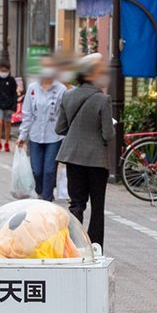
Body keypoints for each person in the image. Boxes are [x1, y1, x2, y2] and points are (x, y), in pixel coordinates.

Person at [55, 53, 114, 248]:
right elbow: (108, 133)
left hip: (72, 156)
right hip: (97, 160)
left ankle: (73, 245)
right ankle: (95, 247)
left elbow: (60, 128)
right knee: (97, 207)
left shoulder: (68, 95)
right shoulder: (103, 100)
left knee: (76, 204)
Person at [17, 57, 67, 201]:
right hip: (35, 135)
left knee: (50, 170)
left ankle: (47, 198)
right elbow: (27, 113)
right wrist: (22, 135)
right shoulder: (33, 88)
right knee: (36, 171)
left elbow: (64, 114)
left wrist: (64, 135)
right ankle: (40, 191)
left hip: (54, 136)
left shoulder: (61, 89)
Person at [0, 60, 18, 152]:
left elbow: (14, 93)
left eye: (5, 70)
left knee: (7, 123)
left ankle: (6, 142)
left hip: (9, 105)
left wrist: (14, 106)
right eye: (2, 70)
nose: (3, 72)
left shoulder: (12, 80)